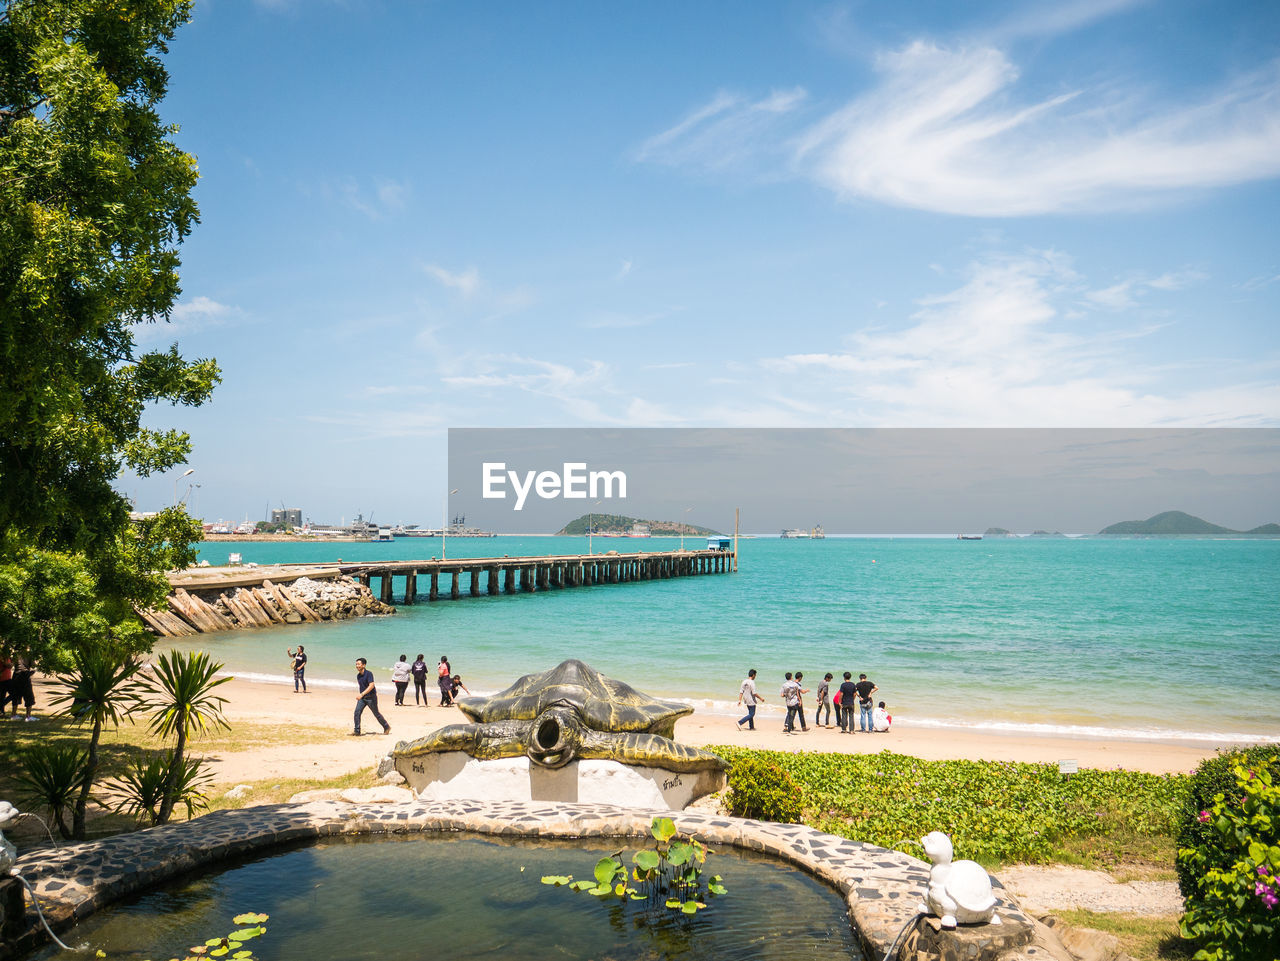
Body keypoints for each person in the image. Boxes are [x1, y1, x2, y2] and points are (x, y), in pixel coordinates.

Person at [352, 657, 391, 736]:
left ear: (364, 665)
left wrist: (361, 694)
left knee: (376, 714)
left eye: (359, 664)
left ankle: (386, 727)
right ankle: (357, 731)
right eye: (356, 664)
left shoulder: (369, 674)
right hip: (363, 699)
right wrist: (362, 695)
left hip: (371, 698)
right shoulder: (358, 676)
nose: (357, 666)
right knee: (357, 712)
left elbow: (371, 685)